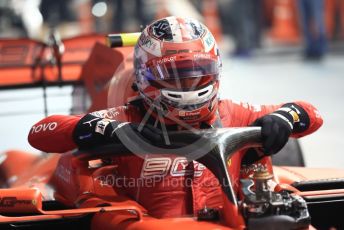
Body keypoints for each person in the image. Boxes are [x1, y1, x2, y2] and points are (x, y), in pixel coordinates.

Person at [28, 16, 323, 218]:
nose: (189, 85)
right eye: (175, 76)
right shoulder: (127, 119)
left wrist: (284, 118)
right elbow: (41, 132)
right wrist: (108, 131)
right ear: (144, 77)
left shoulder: (235, 112)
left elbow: (312, 113)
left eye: (198, 73)